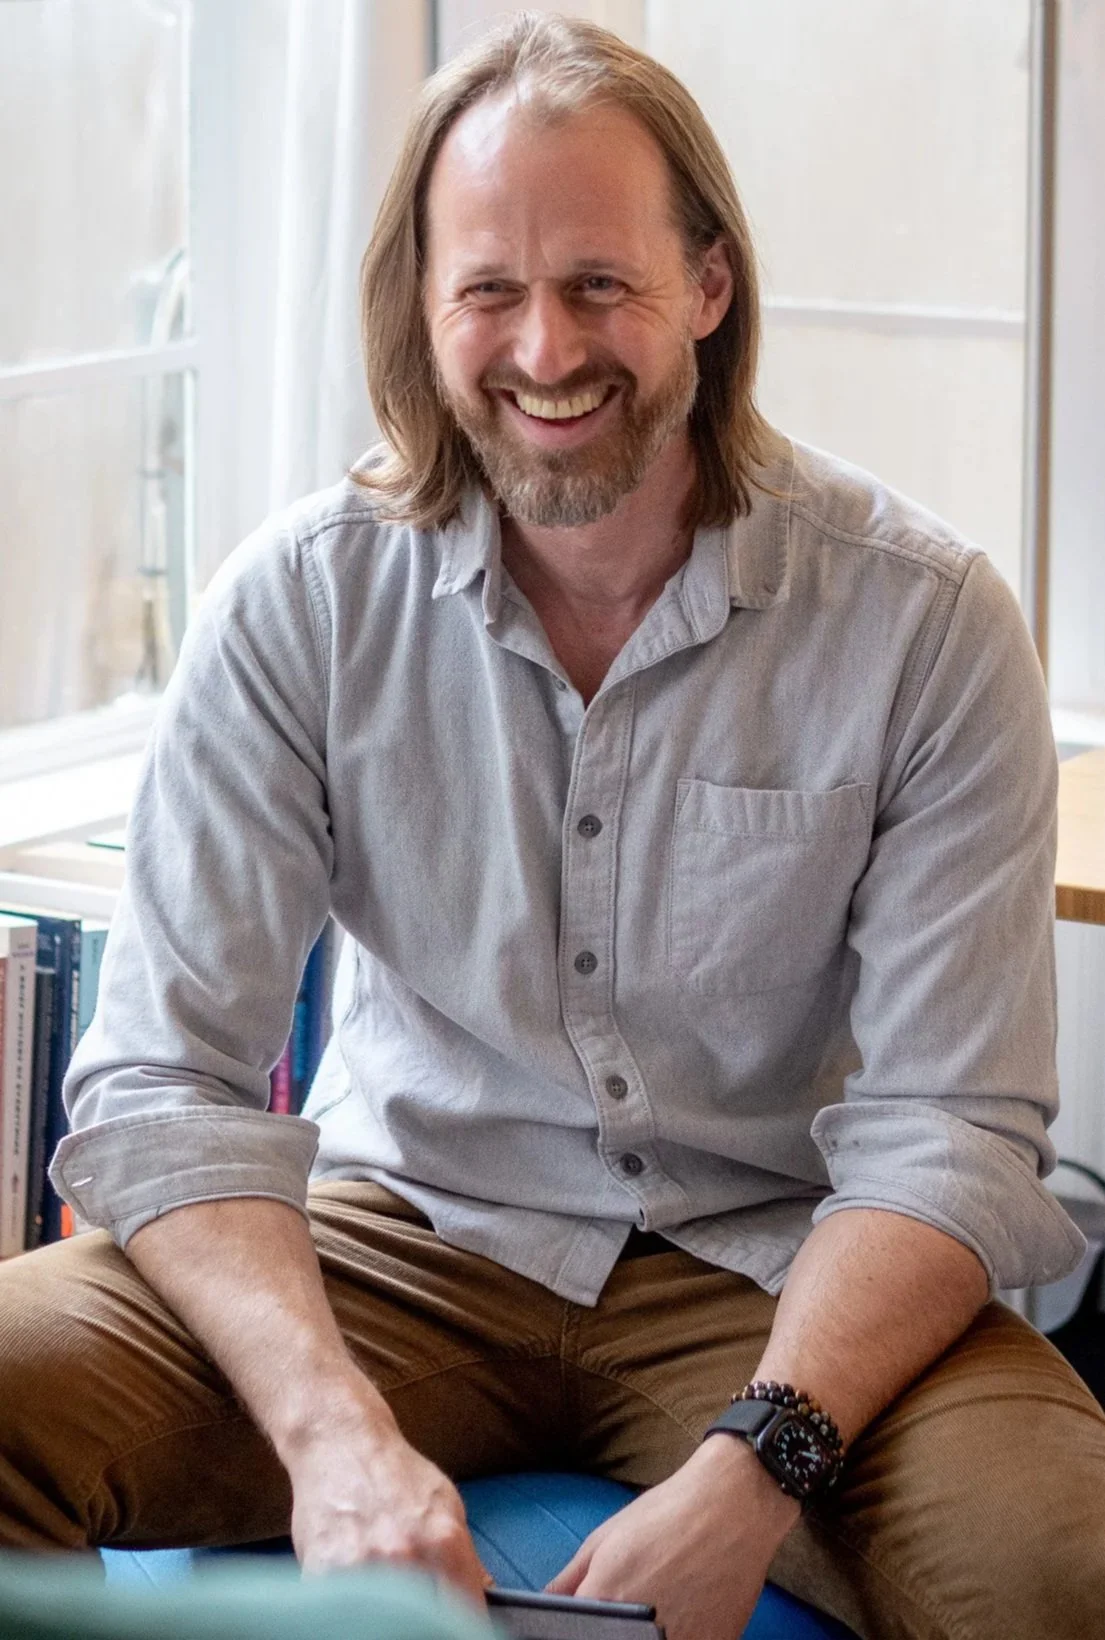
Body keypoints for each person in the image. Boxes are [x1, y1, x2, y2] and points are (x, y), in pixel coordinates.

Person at [2, 14, 1103, 1640]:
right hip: (400, 1238)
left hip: (776, 1267)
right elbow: (169, 1076)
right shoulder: (299, 607)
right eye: (490, 292)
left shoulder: (923, 623)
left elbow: (949, 1128)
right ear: (425, 309)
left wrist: (755, 1465)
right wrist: (332, 1440)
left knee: (1059, 1565)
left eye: (599, 285)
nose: (542, 350)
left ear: (709, 290)